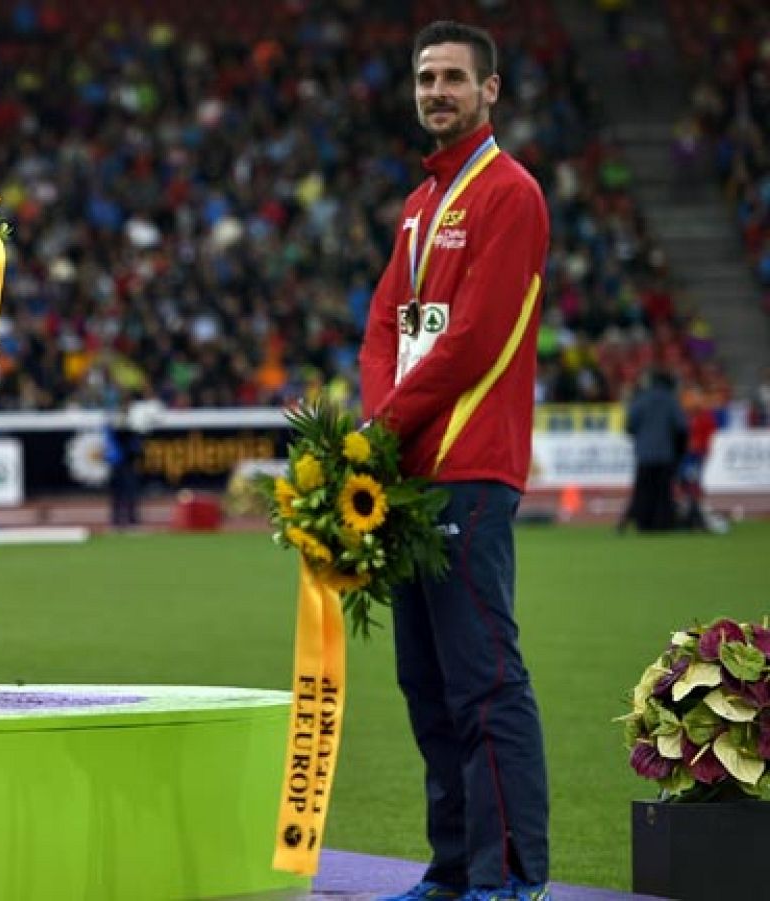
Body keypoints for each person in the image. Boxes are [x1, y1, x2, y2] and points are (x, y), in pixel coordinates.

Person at [358, 21, 552, 901]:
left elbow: (473, 341)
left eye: (452, 78)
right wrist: (371, 433)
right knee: (427, 684)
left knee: (482, 681)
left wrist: (384, 427)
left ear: (491, 90)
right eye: (425, 76)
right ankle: (450, 870)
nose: (436, 91)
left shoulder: (509, 194)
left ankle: (508, 876)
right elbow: (384, 330)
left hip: (469, 466)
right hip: (407, 468)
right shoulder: (417, 206)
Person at [619, 368, 687, 533]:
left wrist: (641, 438)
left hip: (645, 454)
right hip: (665, 454)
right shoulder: (671, 400)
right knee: (663, 492)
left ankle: (643, 523)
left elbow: (629, 425)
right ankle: (663, 523)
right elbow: (681, 427)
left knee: (643, 491)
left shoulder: (641, 399)